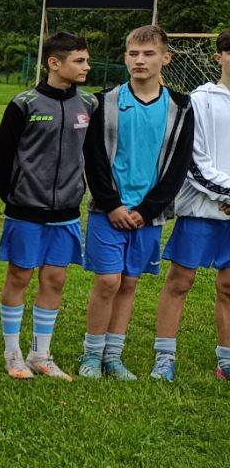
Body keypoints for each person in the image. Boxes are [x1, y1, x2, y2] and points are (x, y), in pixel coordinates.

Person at [79, 26, 194, 378]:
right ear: (125, 58)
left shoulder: (180, 107)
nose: (140, 60)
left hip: (149, 216)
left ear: (166, 58)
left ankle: (113, 356)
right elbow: (94, 159)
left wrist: (146, 210)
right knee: (107, 281)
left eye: (148, 54)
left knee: (129, 282)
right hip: (108, 210)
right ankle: (91, 355)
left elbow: (178, 166)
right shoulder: (104, 102)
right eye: (133, 54)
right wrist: (112, 204)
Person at [0, 32, 95, 380]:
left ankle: (40, 354)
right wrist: (15, 197)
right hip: (25, 210)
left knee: (55, 279)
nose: (86, 66)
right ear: (54, 63)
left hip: (66, 212)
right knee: (19, 276)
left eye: (86, 60)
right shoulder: (24, 103)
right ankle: (12, 354)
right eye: (79, 60)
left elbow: (93, 156)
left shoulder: (89, 104)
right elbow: (2, 158)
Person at [152, 29, 230, 381]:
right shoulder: (200, 100)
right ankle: (164, 357)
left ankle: (226, 360)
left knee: (228, 286)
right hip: (202, 208)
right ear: (219, 57)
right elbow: (194, 162)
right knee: (180, 281)